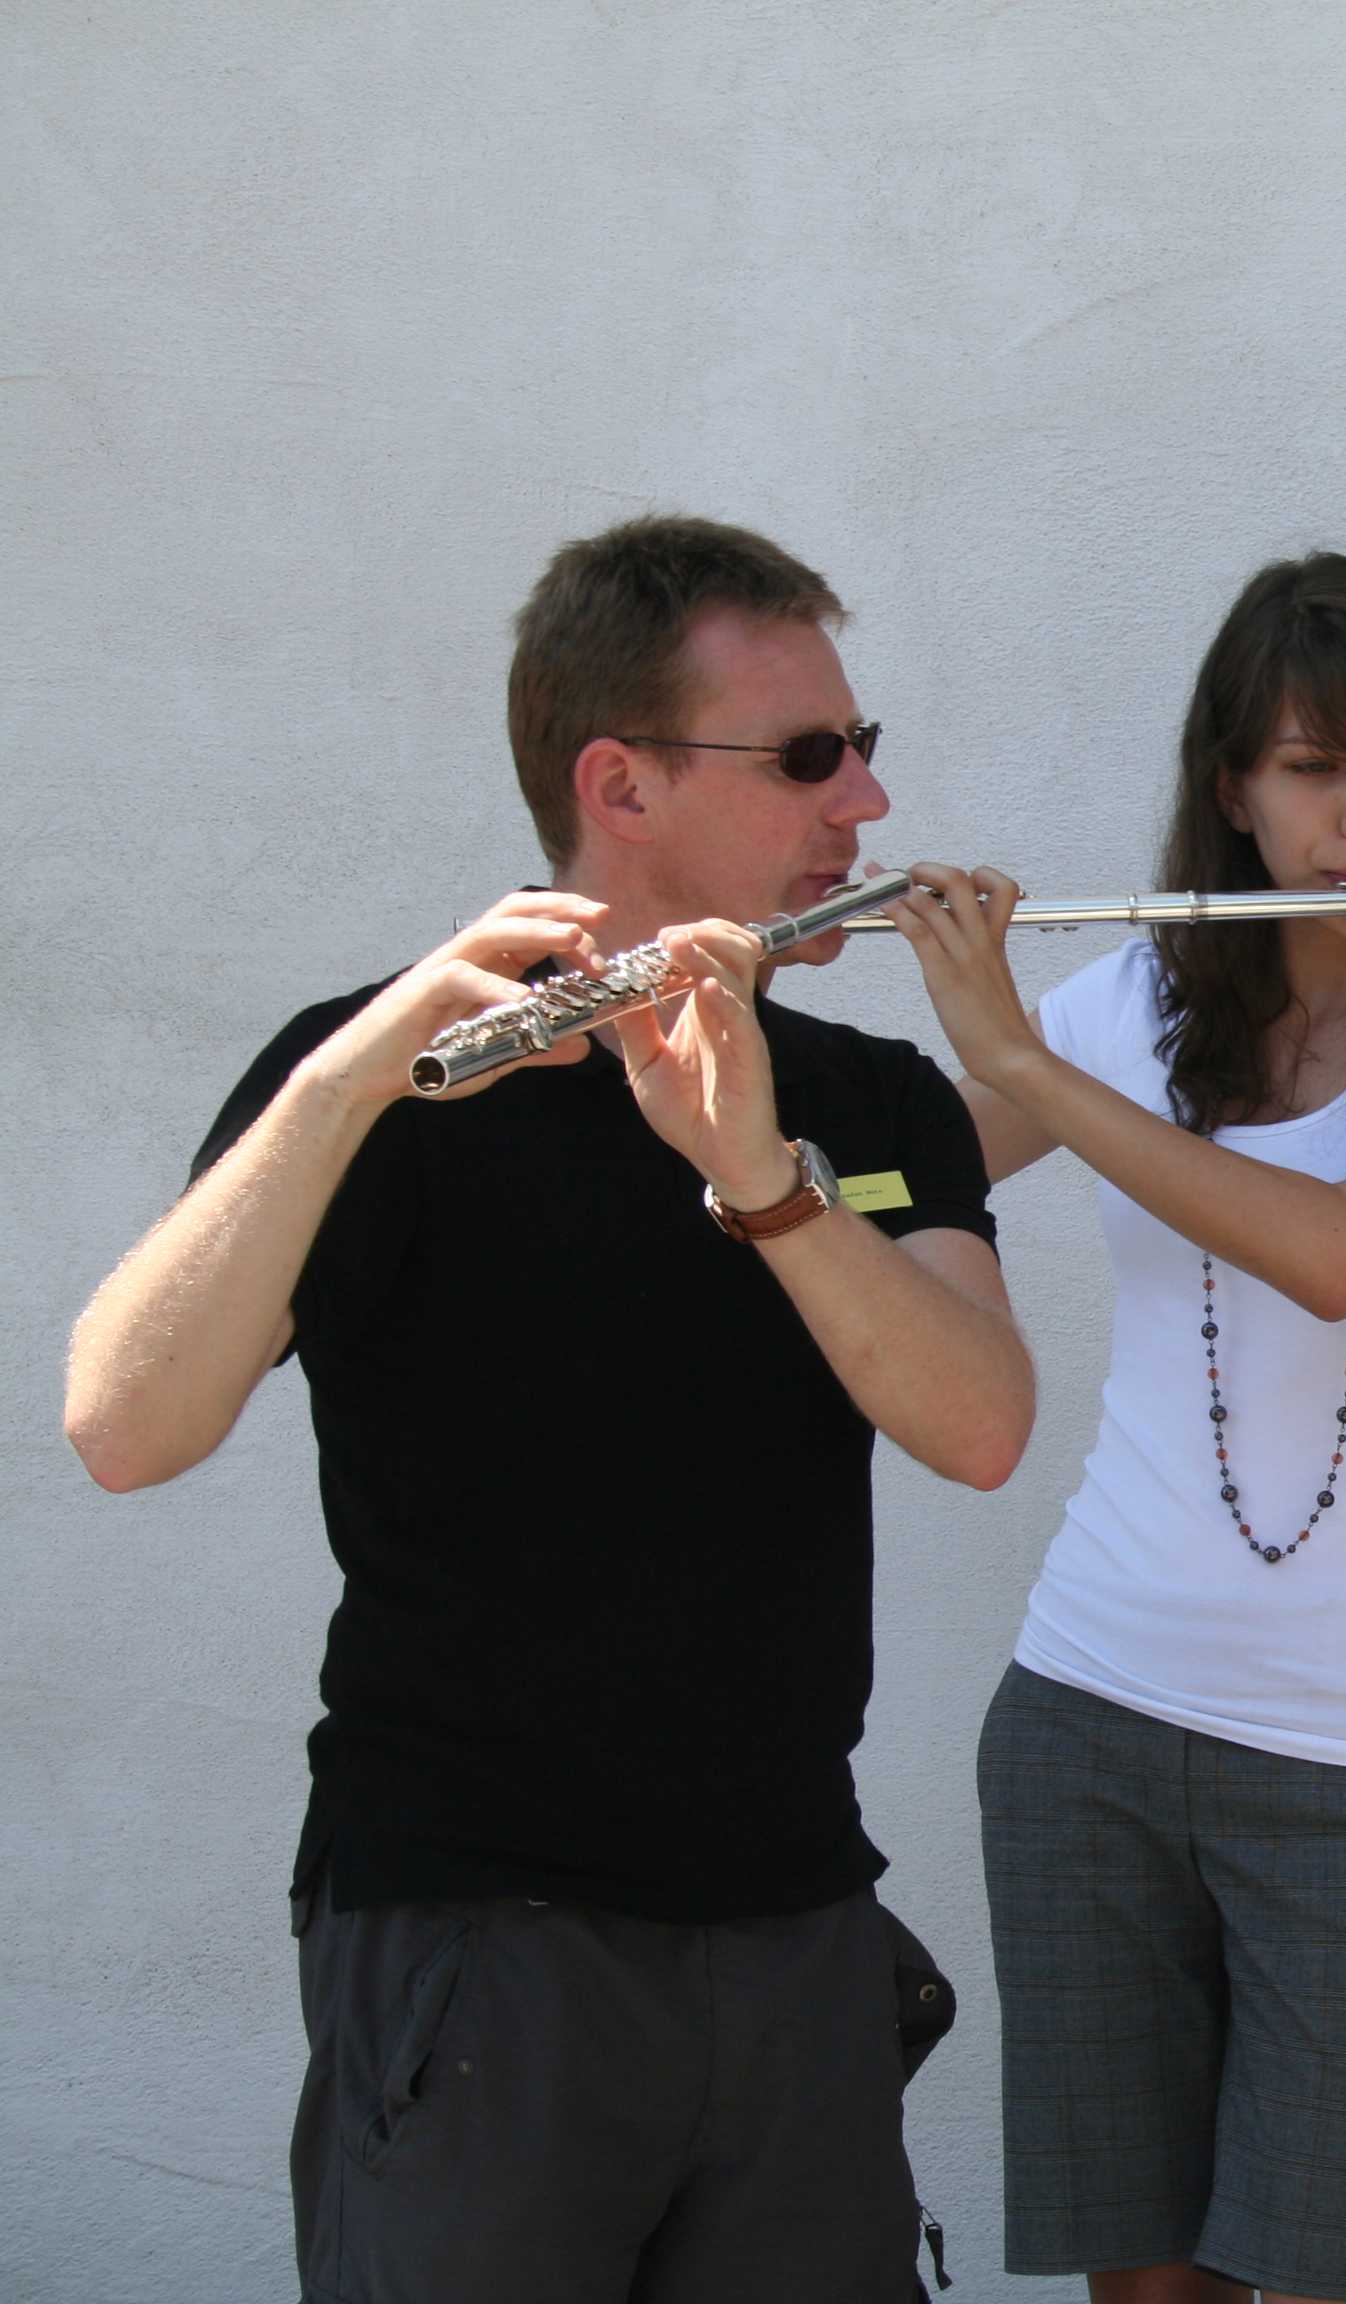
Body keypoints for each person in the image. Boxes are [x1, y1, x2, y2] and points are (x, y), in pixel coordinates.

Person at [61, 515, 1036, 2302]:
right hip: (472, 1937)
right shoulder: (373, 1079)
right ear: (622, 785)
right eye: (811, 758)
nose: (866, 808)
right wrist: (351, 1079)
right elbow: (123, 1425)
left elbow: (979, 1427)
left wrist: (764, 1181)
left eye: (864, 746)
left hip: (793, 1923)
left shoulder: (871, 1097)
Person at [877, 553, 1346, 2304]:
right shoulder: (1127, 1006)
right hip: (1083, 1719)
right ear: (1233, 790)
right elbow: (910, 1179)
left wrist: (1031, 1066)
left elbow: (1341, 1257)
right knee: (1145, 2283)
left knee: (1340, 2276)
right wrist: (759, 1135)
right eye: (1314, 772)